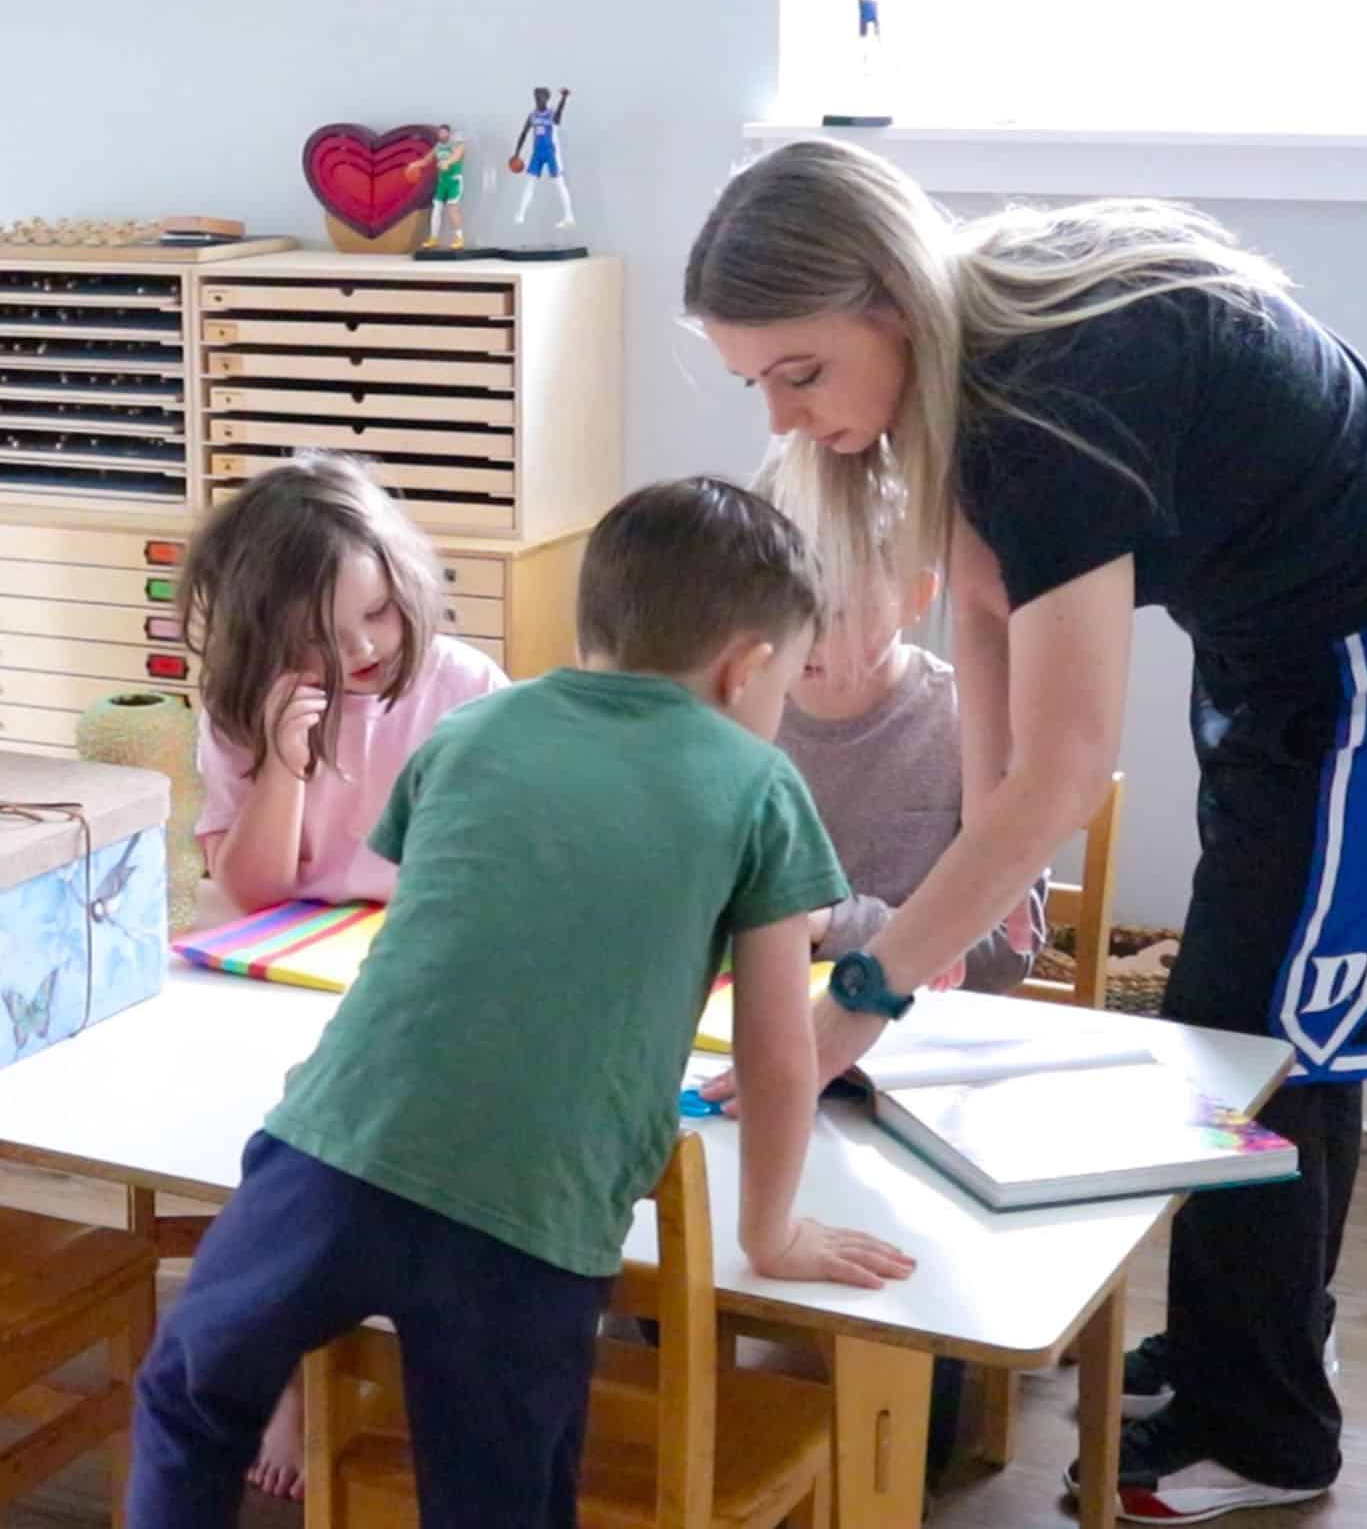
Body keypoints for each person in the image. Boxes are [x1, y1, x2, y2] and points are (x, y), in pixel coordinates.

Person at [688, 139, 1367, 1523]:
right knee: (1224, 1017)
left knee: (1276, 1042)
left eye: (801, 371)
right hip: (1266, 651)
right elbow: (989, 605)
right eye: (752, 381)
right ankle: (1241, 1344)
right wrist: (998, 859)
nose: (784, 414)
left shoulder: (1048, 404)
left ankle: (1268, 1431)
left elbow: (1067, 768)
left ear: (890, 299)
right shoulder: (955, 384)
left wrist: (856, 1006)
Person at [130, 476, 916, 1529]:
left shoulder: (471, 730)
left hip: (332, 1156)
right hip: (529, 1223)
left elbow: (434, 937)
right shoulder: (760, 785)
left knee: (189, 1398)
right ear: (746, 668)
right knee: (495, 1499)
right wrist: (769, 1234)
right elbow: (778, 1055)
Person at [176, 451, 509, 1497]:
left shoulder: (464, 688)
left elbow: (494, 870)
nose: (360, 651)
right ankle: (283, 1367)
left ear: (406, 586)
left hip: (417, 963)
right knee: (266, 1148)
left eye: (375, 616)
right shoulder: (244, 705)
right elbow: (250, 890)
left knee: (382, 1152)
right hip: (280, 957)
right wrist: (285, 758)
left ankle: (375, 1345)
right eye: (320, 635)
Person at [763, 459, 1045, 1485]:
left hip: (919, 1073)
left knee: (909, 1454)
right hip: (750, 1053)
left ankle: (909, 1406)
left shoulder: (966, 721)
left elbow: (1009, 950)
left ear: (916, 594)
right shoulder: (736, 708)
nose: (806, 637)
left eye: (838, 608)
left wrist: (835, 922)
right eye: (784, 603)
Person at [511, 86, 576, 228]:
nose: (538, 100)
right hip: (537, 152)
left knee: (559, 183)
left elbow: (559, 116)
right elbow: (523, 133)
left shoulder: (551, 114)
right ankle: (521, 213)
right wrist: (517, 153)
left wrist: (563, 98)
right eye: (536, 97)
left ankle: (569, 216)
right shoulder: (532, 116)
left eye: (540, 97)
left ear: (547, 98)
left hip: (551, 152)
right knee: (529, 182)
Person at [408, 124, 467, 250]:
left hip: (454, 182)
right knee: (436, 209)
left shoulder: (458, 146)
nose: (441, 135)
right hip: (442, 182)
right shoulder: (438, 147)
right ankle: (433, 239)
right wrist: (414, 165)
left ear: (449, 134)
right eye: (440, 133)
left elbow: (456, 157)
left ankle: (459, 239)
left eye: (444, 133)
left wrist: (447, 162)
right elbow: (426, 161)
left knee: (452, 209)